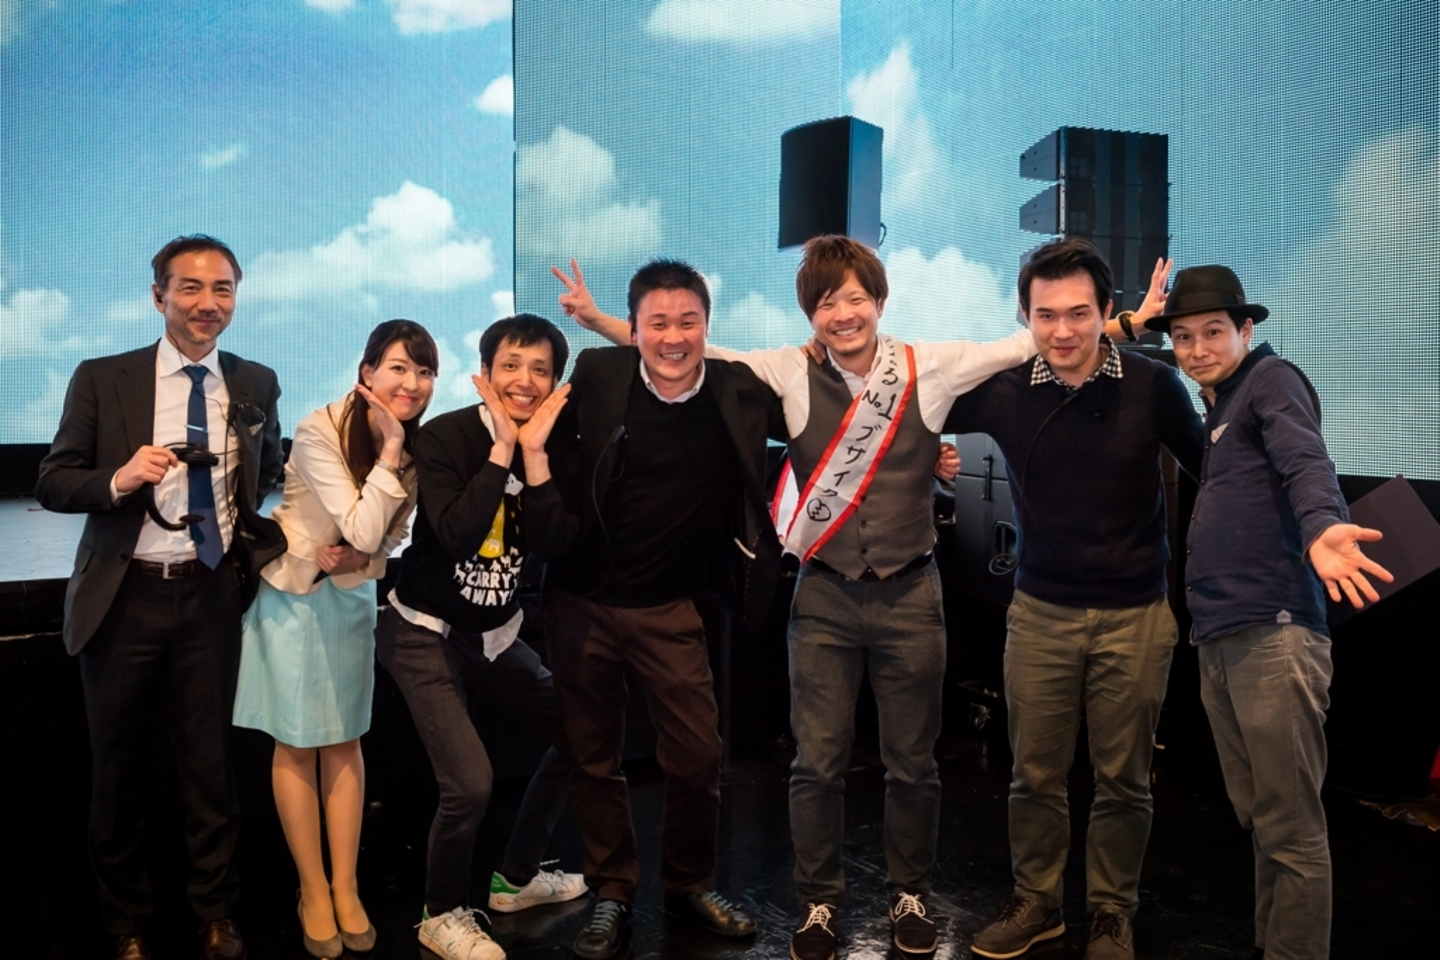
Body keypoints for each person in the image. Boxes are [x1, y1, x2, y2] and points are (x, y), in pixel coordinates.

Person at [553, 240, 1145, 959]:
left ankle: (910, 894)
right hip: (824, 599)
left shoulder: (930, 366)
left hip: (913, 595)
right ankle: (819, 903)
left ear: (880, 301)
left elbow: (1028, 341)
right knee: (816, 765)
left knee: (914, 764)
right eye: (827, 302)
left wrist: (1128, 324)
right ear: (811, 313)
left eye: (855, 298)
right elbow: (695, 354)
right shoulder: (788, 372)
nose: (843, 314)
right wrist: (599, 322)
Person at [941, 238, 1203, 960]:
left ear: (1107, 311)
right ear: (1024, 317)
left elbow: (1214, 470)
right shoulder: (1002, 389)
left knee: (1125, 780)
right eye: (1045, 315)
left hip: (1136, 616)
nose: (1062, 331)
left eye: (1079, 313)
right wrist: (931, 451)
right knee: (1034, 775)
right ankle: (1038, 902)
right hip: (1040, 614)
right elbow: (915, 405)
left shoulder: (1155, 385)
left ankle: (1113, 911)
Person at [36, 235, 283, 960]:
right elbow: (54, 480)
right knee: (118, 771)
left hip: (212, 597)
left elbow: (265, 471)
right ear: (159, 297)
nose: (209, 303)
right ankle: (126, 922)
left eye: (223, 289)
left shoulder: (256, 381)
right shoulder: (103, 378)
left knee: (213, 767)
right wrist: (119, 477)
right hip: (126, 599)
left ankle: (215, 911)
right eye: (191, 288)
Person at [538, 258, 785, 960]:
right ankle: (613, 891)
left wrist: (931, 456)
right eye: (657, 324)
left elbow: (825, 420)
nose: (673, 338)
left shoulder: (738, 390)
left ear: (707, 325)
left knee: (698, 756)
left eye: (688, 322)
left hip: (671, 607)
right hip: (581, 603)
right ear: (634, 328)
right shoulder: (598, 374)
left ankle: (687, 884)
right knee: (594, 758)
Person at [1150, 264, 1392, 960]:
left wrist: (1323, 527)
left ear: (1246, 331)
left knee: (1289, 826)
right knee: (1261, 817)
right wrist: (1132, 322)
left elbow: (1304, 462)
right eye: (1184, 337)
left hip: (1273, 632)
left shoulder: (1271, 380)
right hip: (1223, 633)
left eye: (1213, 332)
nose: (1197, 349)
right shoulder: (1221, 406)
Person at [373, 313, 587, 960]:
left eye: (540, 370)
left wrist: (536, 456)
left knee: (583, 733)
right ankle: (439, 915)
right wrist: (502, 450)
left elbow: (553, 545)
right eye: (511, 366)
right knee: (469, 783)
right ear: (486, 373)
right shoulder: (446, 435)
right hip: (423, 631)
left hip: (493, 634)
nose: (524, 381)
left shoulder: (556, 442)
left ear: (556, 382)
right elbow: (459, 533)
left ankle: (516, 880)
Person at [231, 319, 436, 957]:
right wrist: (391, 452)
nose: (412, 382)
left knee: (345, 739)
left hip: (349, 599)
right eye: (398, 367)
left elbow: (387, 537)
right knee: (297, 744)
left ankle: (346, 886)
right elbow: (365, 524)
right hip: (294, 597)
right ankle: (312, 888)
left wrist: (364, 560)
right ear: (367, 372)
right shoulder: (321, 428)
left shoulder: (415, 446)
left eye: (424, 371)